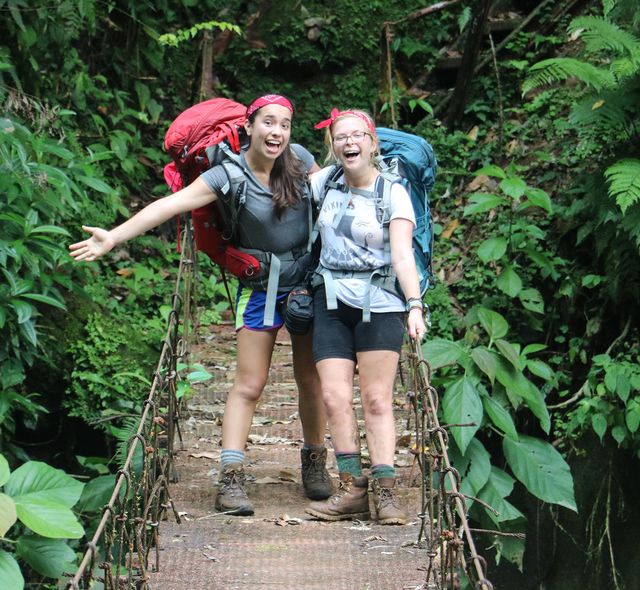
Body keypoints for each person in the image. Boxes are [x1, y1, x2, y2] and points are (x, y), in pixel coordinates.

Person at [69, 94, 333, 516]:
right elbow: (170, 205)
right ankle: (229, 479)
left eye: (284, 124)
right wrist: (114, 237)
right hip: (261, 287)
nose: (277, 132)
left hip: (306, 284)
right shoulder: (226, 175)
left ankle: (315, 463)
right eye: (268, 122)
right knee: (249, 383)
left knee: (311, 378)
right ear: (249, 126)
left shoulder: (300, 160)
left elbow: (337, 202)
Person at [304, 108, 427, 525]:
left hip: (382, 301)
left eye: (358, 136)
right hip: (332, 299)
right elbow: (279, 195)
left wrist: (414, 305)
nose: (349, 142)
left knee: (376, 399)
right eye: (341, 137)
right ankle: (353, 489)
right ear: (333, 146)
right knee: (334, 396)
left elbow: (402, 256)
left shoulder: (394, 192)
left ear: (373, 143)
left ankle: (386, 492)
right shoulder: (323, 182)